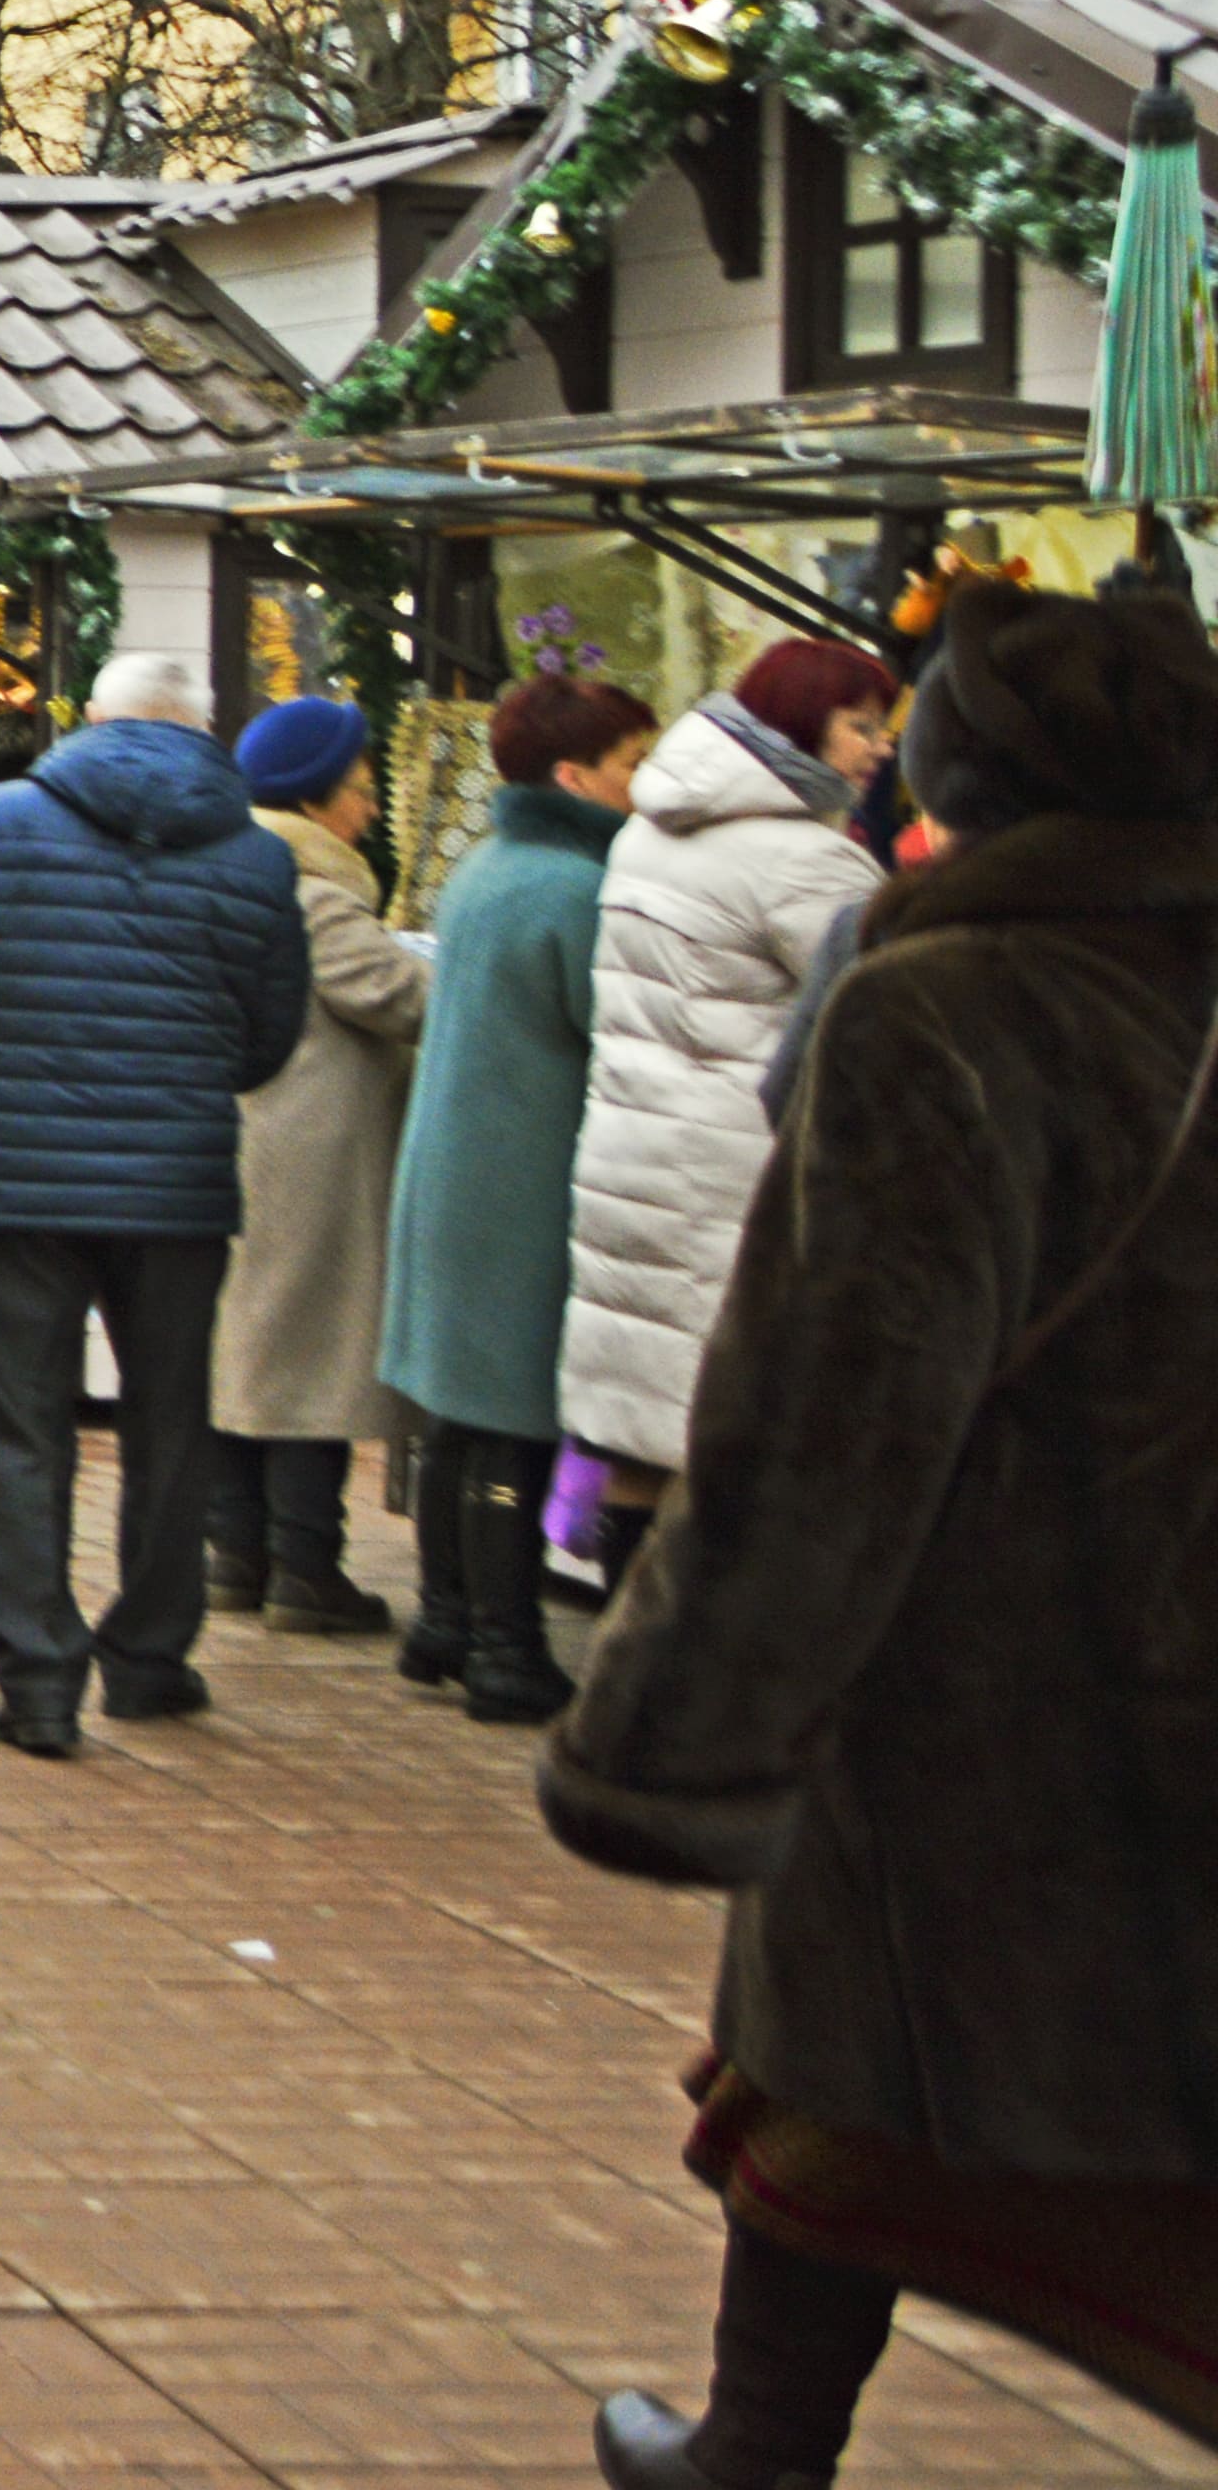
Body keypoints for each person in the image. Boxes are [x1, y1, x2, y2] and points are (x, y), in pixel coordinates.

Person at [552, 577, 1218, 2485]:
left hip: (985, 1681)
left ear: (958, 774)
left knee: (845, 2065)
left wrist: (670, 1740)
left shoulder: (941, 1003)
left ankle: (758, 2453)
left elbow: (823, 1421)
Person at [0, 646, 311, 1757]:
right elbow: (270, 1034)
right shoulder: (258, 856)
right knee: (170, 1422)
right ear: (198, 728)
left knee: (20, 1428)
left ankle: (37, 1679)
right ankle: (150, 1656)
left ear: (95, 719)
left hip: (24, 1172)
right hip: (179, 1180)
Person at [563, 639, 896, 1568]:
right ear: (802, 728)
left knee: (641, 1431)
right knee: (735, 1439)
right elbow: (880, 1022)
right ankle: (697, 1645)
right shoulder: (808, 863)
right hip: (732, 1179)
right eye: (861, 727)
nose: (880, 749)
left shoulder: (647, 831)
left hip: (630, 1160)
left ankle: (626, 1634)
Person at [375, 674, 656, 1725]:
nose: (645, 782)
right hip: (524, 1181)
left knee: (459, 1415)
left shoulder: (487, 865)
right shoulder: (577, 889)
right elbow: (611, 1031)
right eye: (632, 761)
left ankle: (444, 1622)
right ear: (574, 777)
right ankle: (505, 1649)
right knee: (512, 1420)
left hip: (458, 1169)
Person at [197, 695, 425, 1634]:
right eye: (361, 791)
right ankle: (305, 1565)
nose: (372, 809)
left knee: (245, 1352)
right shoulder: (309, 891)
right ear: (311, 799)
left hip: (250, 1141)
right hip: (307, 1156)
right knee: (306, 1360)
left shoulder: (229, 871)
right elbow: (393, 994)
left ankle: (235, 1552)